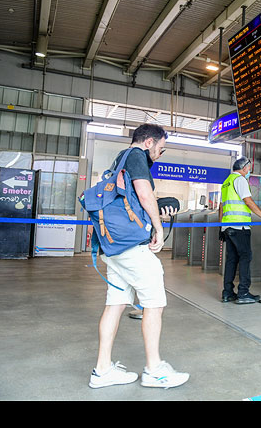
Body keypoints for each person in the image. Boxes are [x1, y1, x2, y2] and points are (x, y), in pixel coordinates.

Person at [89, 123, 189, 389]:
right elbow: (145, 194)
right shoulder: (136, 156)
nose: (160, 153)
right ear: (149, 143)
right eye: (161, 149)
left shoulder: (119, 159)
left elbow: (132, 200)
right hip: (132, 247)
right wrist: (157, 227)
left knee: (116, 304)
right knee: (154, 302)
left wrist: (156, 212)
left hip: (113, 247)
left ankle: (102, 370)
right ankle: (154, 370)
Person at [219, 156, 261, 304]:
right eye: (249, 169)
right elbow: (248, 200)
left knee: (231, 259)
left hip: (227, 226)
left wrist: (221, 226)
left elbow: (221, 206)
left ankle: (227, 293)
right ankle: (243, 292)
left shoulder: (227, 182)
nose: (249, 171)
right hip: (240, 225)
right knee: (245, 257)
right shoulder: (240, 180)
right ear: (244, 168)